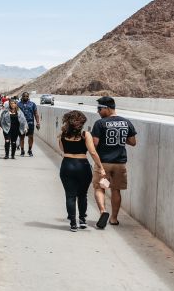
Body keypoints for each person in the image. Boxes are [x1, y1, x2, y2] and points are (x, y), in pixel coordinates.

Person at [90, 96, 137, 229]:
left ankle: (103, 211)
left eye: (99, 108)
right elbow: (133, 142)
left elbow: (95, 144)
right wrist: (119, 138)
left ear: (107, 108)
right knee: (116, 190)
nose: (98, 111)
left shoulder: (100, 123)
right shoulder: (126, 122)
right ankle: (114, 219)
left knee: (100, 188)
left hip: (103, 163)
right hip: (120, 163)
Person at [58, 110, 105, 231]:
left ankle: (73, 224)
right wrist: (100, 167)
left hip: (67, 164)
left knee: (70, 196)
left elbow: (62, 149)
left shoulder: (63, 134)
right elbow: (93, 152)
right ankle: (82, 220)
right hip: (82, 166)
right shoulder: (85, 134)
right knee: (82, 194)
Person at [17, 92, 41, 156]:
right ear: (22, 96)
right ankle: (22, 151)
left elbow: (36, 114)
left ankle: (30, 150)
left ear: (28, 97)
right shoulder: (18, 104)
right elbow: (16, 114)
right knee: (21, 137)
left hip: (30, 123)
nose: (25, 97)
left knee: (31, 137)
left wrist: (38, 123)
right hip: (21, 123)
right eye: (24, 96)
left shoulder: (32, 104)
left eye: (27, 96)